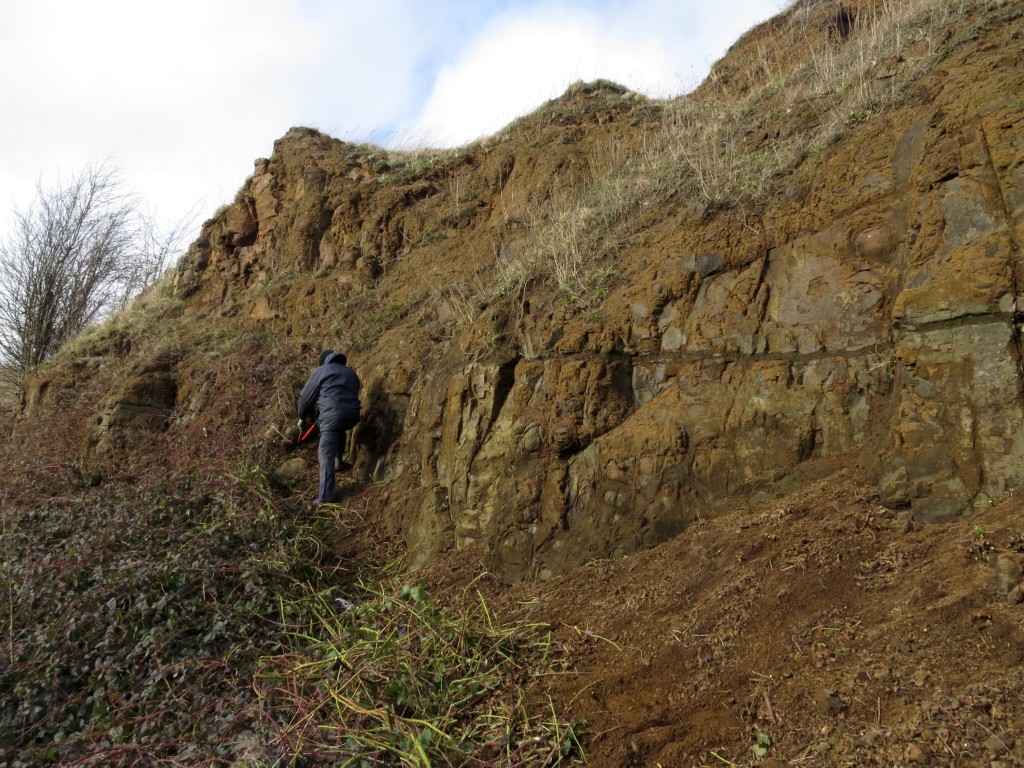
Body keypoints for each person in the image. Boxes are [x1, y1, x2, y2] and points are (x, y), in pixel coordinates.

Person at [297, 350, 361, 504]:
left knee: (325, 451)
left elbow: (306, 399)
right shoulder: (352, 373)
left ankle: (326, 495)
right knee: (338, 427)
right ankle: (339, 460)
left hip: (332, 417)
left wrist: (302, 416)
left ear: (324, 362)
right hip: (352, 416)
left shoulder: (320, 371)